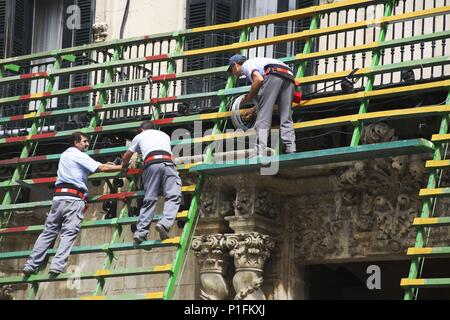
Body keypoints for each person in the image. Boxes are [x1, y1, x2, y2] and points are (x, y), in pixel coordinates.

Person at [22, 132, 123, 276]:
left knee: (48, 233)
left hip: (58, 199)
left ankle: (30, 265)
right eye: (85, 141)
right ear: (76, 143)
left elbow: (80, 172)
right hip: (73, 199)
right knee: (68, 233)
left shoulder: (65, 155)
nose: (87, 144)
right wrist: (122, 167)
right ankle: (57, 266)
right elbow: (102, 168)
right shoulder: (78, 155)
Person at [121, 121, 182, 243]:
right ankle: (164, 224)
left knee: (150, 199)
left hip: (151, 164)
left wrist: (124, 167)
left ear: (142, 130)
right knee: (173, 196)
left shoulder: (139, 136)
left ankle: (141, 232)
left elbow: (127, 156)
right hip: (168, 163)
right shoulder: (164, 135)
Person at [227, 54, 297, 156]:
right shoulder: (259, 63)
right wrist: (253, 109)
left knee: (263, 116)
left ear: (235, 65)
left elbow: (259, 80)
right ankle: (291, 149)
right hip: (289, 75)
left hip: (273, 73)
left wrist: (249, 98)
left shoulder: (246, 65)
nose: (232, 73)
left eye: (231, 70)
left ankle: (259, 150)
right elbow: (267, 98)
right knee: (286, 117)